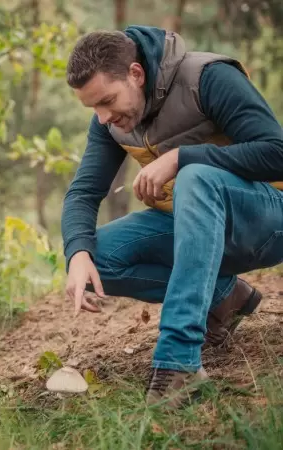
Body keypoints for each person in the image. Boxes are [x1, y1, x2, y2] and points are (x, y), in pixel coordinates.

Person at [61, 25, 283, 408]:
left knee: (195, 177)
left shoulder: (208, 78)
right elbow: (83, 192)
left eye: (107, 101)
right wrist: (77, 252)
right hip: (194, 231)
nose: (101, 118)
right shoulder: (111, 122)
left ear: (135, 73)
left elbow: (276, 152)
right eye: (93, 108)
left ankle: (179, 361)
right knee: (96, 258)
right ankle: (224, 296)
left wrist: (182, 157)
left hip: (266, 220)